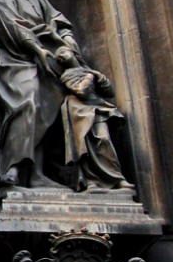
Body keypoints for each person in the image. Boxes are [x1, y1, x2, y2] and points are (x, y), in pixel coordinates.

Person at [0, 0, 76, 191]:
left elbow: (59, 22)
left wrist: (68, 41)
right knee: (26, 102)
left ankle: (37, 175)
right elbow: (10, 25)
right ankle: (13, 168)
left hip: (46, 60)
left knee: (44, 107)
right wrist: (37, 49)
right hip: (12, 59)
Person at [54, 46, 134, 191]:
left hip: (96, 108)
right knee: (84, 147)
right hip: (79, 111)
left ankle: (116, 179)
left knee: (104, 141)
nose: (61, 57)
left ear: (73, 53)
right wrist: (90, 77)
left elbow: (110, 92)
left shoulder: (88, 71)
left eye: (62, 53)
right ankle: (90, 181)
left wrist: (100, 78)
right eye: (59, 58)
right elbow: (82, 91)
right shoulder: (67, 75)